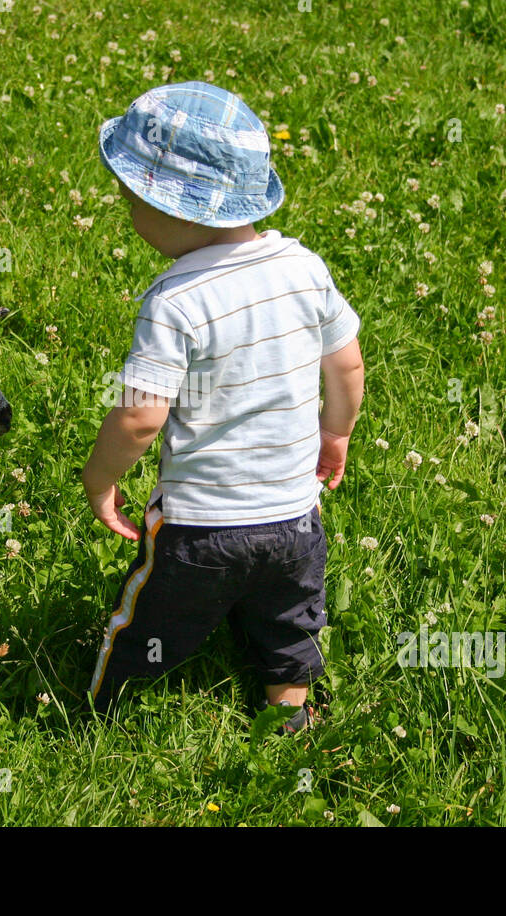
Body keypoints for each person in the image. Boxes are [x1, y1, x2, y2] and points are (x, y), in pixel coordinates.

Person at [82, 82, 365, 732]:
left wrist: (102, 480)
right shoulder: (303, 267)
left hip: (201, 531)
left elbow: (140, 416)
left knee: (150, 621)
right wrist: (336, 433)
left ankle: (102, 708)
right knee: (289, 622)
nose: (128, 215)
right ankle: (287, 722)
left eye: (130, 202)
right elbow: (347, 362)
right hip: (297, 519)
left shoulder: (175, 300)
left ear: (165, 207)